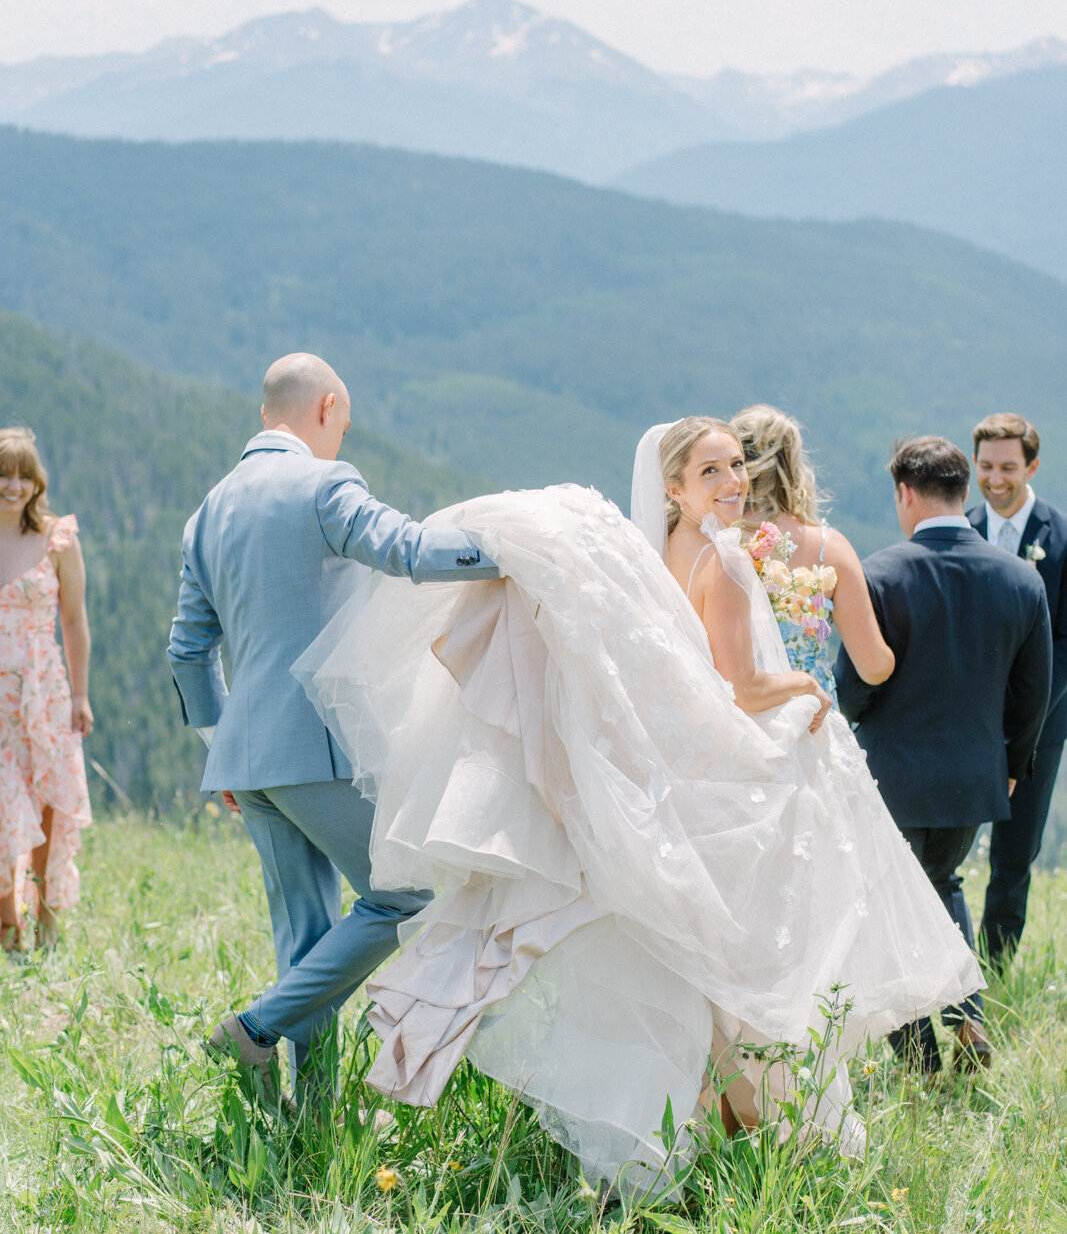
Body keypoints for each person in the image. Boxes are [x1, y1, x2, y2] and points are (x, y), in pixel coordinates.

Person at [295, 417, 984, 1191]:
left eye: (735, 468)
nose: (731, 484)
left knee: (693, 971)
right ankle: (746, 1125)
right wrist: (803, 686)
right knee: (745, 959)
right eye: (711, 473)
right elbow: (738, 687)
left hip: (669, 775)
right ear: (673, 488)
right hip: (714, 773)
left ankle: (699, 1123)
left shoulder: (653, 560)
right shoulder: (722, 561)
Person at [167, 353, 499, 1101]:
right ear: (326, 406)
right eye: (342, 423)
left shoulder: (208, 512)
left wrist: (219, 744)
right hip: (313, 747)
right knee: (404, 894)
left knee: (305, 938)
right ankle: (252, 1028)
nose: (341, 437)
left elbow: (187, 651)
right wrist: (514, 551)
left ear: (264, 415)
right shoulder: (325, 484)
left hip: (245, 762)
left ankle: (306, 1121)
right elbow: (409, 551)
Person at [835, 436, 1051, 1075]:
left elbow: (853, 687)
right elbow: (1032, 692)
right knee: (942, 881)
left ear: (905, 493)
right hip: (974, 778)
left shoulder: (879, 574)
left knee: (889, 905)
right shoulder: (1021, 578)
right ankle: (969, 1019)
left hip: (893, 776)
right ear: (964, 493)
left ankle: (921, 1060)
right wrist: (1012, 763)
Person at [966, 413, 1067, 970]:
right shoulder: (962, 528)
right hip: (965, 720)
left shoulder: (1062, 538)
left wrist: (1023, 722)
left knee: (1014, 852)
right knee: (945, 842)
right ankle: (949, 962)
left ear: (1032, 465)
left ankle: (995, 964)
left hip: (1041, 723)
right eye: (985, 466)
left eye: (1008, 467)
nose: (995, 479)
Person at [0, 427, 92, 950]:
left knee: (49, 803)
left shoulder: (59, 539)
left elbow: (75, 622)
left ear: (37, 482)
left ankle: (47, 922)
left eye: (23, 475)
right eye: (3, 474)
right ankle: (7, 924)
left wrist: (80, 695)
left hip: (45, 689)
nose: (13, 486)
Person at [732, 404, 894, 701]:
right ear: (793, 466)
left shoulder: (711, 541)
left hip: (733, 716)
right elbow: (873, 667)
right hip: (807, 718)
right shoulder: (828, 549)